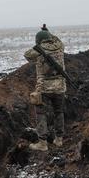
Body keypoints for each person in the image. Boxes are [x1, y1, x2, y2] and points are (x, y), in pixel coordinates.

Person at [24, 24, 66, 152]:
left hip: (44, 88)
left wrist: (39, 44)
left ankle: (42, 143)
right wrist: (48, 33)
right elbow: (55, 39)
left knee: (41, 113)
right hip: (60, 87)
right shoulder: (60, 46)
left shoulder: (39, 49)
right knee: (59, 112)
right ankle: (59, 140)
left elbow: (27, 55)